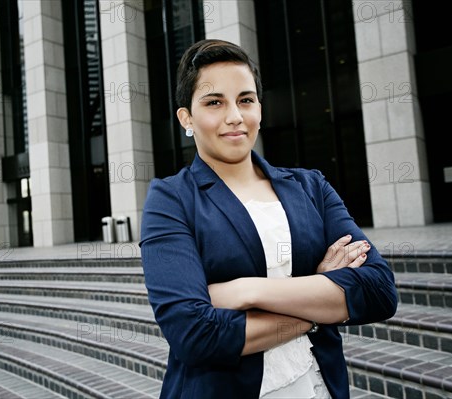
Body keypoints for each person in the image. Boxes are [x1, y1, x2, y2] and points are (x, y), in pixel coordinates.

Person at [139, 39, 397, 399]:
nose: (234, 116)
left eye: (245, 100)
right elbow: (194, 334)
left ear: (259, 108)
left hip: (319, 386)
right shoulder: (172, 199)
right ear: (187, 118)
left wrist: (246, 291)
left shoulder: (310, 187)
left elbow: (379, 290)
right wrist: (318, 299)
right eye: (215, 102)